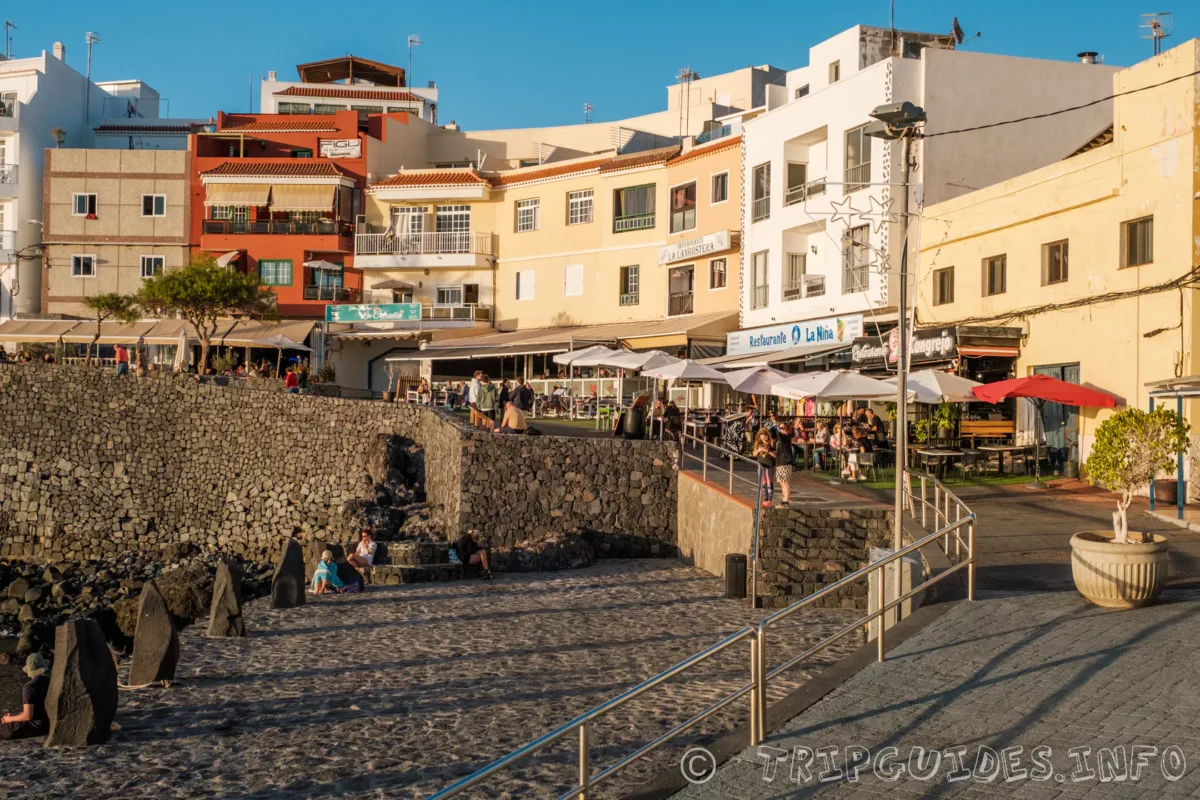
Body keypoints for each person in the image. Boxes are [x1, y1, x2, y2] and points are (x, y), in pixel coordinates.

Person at [0, 653, 50, 741]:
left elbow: (28, 716)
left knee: (3, 728)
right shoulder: (49, 681)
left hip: (35, 727)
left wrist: (9, 719)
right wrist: (15, 715)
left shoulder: (29, 687)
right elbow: (36, 710)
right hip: (47, 724)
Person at [752, 428, 776, 508]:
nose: (763, 439)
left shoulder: (772, 443)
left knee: (769, 481)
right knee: (764, 482)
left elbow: (775, 455)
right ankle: (765, 499)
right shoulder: (758, 444)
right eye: (761, 438)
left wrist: (768, 451)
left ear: (767, 436)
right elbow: (754, 454)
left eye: (764, 437)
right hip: (761, 465)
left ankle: (769, 500)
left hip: (770, 465)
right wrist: (759, 450)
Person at [774, 423, 794, 506]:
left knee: (785, 482)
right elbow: (772, 432)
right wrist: (775, 427)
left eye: (783, 428)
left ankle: (786, 500)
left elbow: (779, 435)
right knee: (781, 482)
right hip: (779, 462)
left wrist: (777, 428)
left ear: (788, 430)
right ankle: (784, 498)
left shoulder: (786, 437)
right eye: (780, 428)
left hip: (785, 462)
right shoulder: (781, 438)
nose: (781, 429)